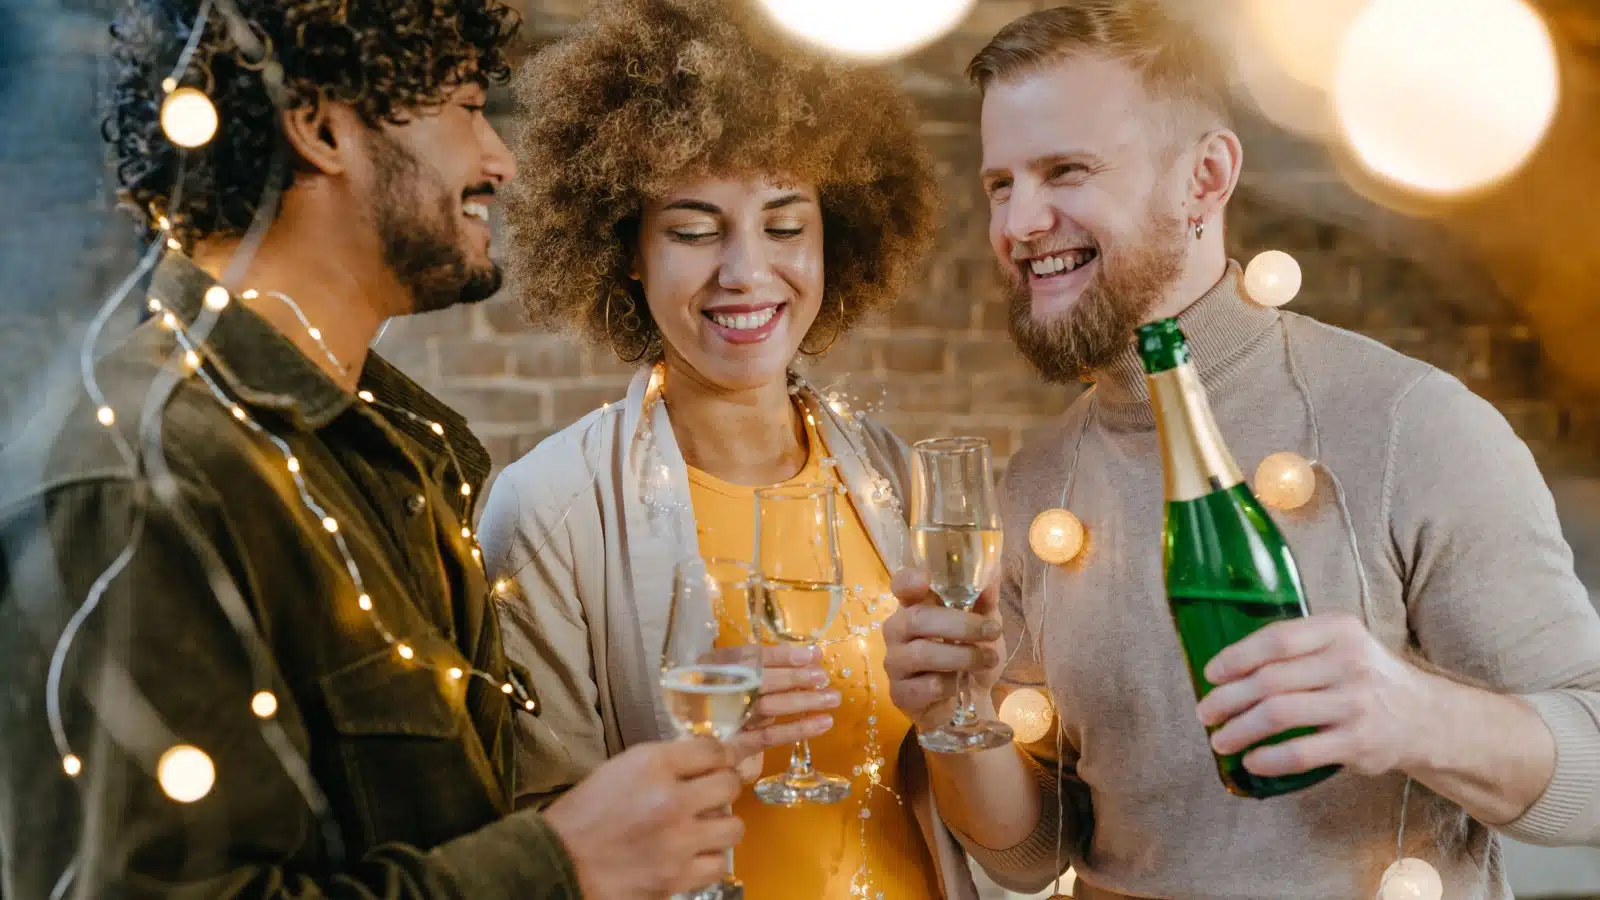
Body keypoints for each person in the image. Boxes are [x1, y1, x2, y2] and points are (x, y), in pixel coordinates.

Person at [0, 1, 744, 897]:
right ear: (320, 129)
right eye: (468, 109)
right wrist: (557, 867)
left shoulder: (408, 454)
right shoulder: (141, 477)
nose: (499, 161)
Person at [881, 3, 1600, 899]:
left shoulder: (1408, 421)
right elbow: (1037, 853)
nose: (1021, 222)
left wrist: (1413, 715)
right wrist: (962, 716)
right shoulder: (1039, 481)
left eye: (1066, 170)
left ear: (1205, 178)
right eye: (1000, 184)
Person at [475, 2, 969, 897]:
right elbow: (535, 842)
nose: (745, 272)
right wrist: (698, 739)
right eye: (695, 230)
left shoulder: (895, 478)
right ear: (626, 248)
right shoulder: (547, 509)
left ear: (836, 237)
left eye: (785, 226)